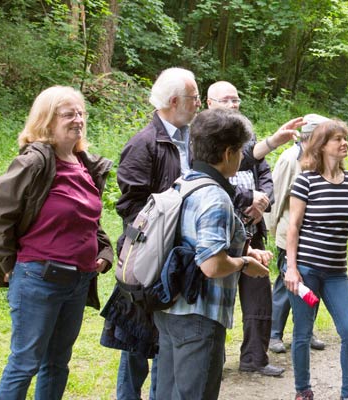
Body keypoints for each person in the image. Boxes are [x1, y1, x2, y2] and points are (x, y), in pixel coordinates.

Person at [0, 85, 113, 400]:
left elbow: (88, 219)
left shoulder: (84, 164)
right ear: (47, 120)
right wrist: (9, 265)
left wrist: (104, 252)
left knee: (57, 363)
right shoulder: (33, 163)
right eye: (68, 114)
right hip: (38, 279)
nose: (78, 119)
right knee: (25, 363)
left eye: (81, 113)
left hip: (79, 280)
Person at [154, 108, 271, 399]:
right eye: (241, 150)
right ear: (229, 153)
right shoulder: (215, 197)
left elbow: (193, 240)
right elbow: (211, 265)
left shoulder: (185, 182)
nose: (242, 157)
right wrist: (245, 263)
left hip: (170, 310)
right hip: (199, 317)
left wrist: (244, 249)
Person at [99, 67, 201, 400]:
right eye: (194, 97)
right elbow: (130, 205)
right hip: (148, 254)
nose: (199, 103)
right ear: (174, 101)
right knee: (136, 338)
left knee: (165, 338)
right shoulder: (144, 143)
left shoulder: (192, 140)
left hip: (180, 255)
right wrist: (159, 233)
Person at [207, 81, 303, 376]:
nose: (233, 105)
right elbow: (210, 181)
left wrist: (262, 202)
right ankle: (211, 360)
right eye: (226, 100)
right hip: (220, 233)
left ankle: (254, 358)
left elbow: (264, 174)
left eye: (236, 99)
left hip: (253, 231)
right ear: (209, 104)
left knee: (258, 297)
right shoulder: (204, 137)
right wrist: (246, 198)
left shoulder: (248, 136)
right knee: (215, 300)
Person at [284, 119, 348, 400]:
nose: (344, 143)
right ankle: (303, 391)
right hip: (306, 272)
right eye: (338, 139)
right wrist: (291, 269)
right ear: (322, 145)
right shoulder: (305, 181)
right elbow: (293, 227)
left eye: (345, 138)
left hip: (336, 273)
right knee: (303, 333)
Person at [265, 114, 329, 354]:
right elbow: (275, 196)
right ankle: (274, 334)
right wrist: (274, 231)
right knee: (286, 286)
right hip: (289, 234)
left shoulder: (324, 159)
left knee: (313, 284)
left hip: (315, 238)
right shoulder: (289, 159)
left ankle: (306, 331)